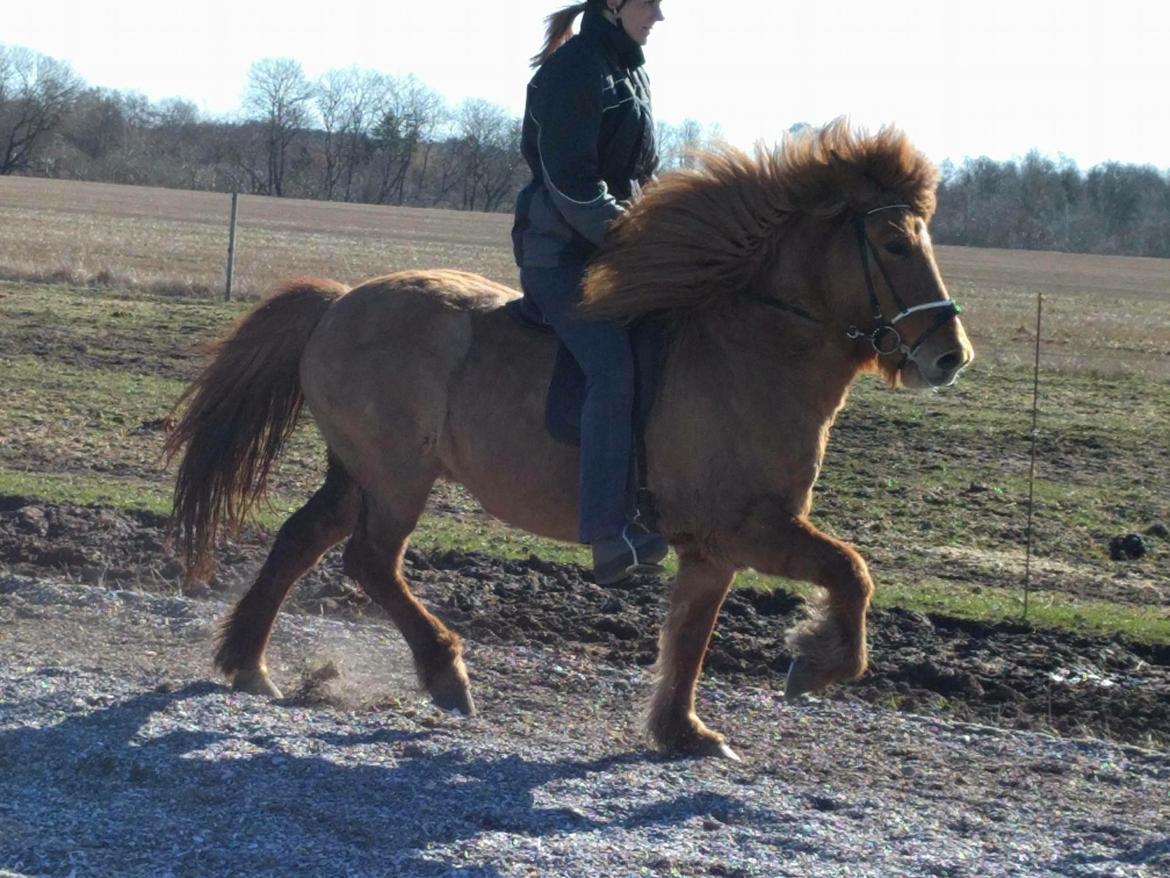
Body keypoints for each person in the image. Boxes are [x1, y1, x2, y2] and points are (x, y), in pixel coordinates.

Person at [511, 0, 667, 585]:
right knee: (611, 366)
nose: (659, 15)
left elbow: (640, 177)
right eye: (650, 3)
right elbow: (572, 184)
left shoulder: (630, 69)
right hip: (559, 259)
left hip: (612, 255)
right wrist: (630, 241)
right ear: (613, 5)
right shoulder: (574, 70)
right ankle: (610, 533)